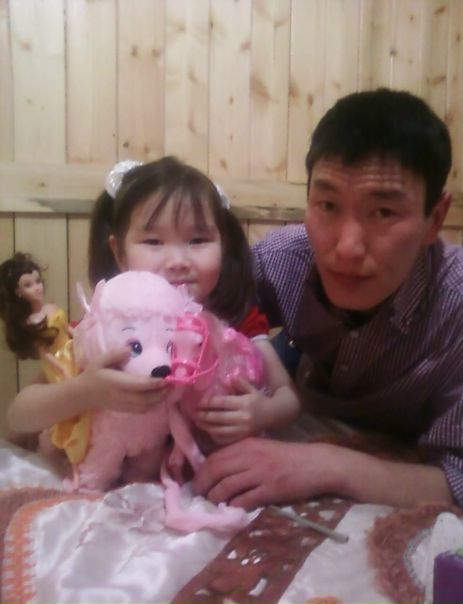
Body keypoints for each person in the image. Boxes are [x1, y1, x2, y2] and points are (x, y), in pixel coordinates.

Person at [194, 88, 463, 512]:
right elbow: (186, 310)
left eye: (383, 212)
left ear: (434, 219)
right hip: (298, 372)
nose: (347, 247)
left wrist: (325, 465)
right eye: (327, 205)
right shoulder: (283, 257)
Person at [7, 157, 300, 451]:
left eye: (198, 240)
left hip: (206, 468)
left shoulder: (235, 322)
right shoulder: (107, 326)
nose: (178, 261)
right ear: (119, 253)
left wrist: (264, 412)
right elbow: (17, 416)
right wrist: (85, 391)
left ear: (223, 245)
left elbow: (289, 397)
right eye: (153, 242)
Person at [0, 252, 72, 382]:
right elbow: (45, 353)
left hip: (73, 349)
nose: (37, 288)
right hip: (59, 362)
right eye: (28, 285)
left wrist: (79, 335)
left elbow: (67, 328)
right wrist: (62, 369)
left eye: (38, 281)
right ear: (18, 292)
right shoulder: (31, 322)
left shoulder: (51, 307)